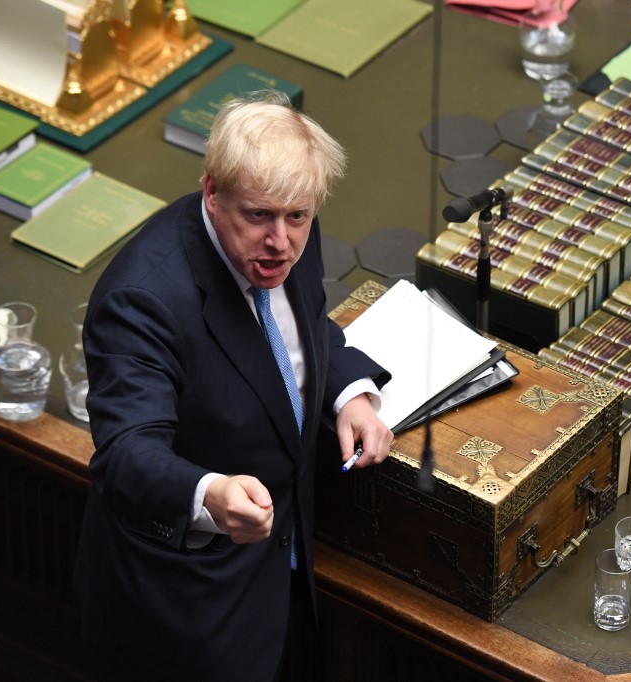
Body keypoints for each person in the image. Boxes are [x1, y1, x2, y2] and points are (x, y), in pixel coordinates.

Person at [73, 91, 394, 681]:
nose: (281, 242)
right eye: (259, 217)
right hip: (189, 608)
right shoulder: (141, 300)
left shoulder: (290, 227)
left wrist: (349, 392)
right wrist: (209, 492)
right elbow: (125, 454)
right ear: (212, 193)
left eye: (297, 217)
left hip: (291, 567)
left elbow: (300, 327)